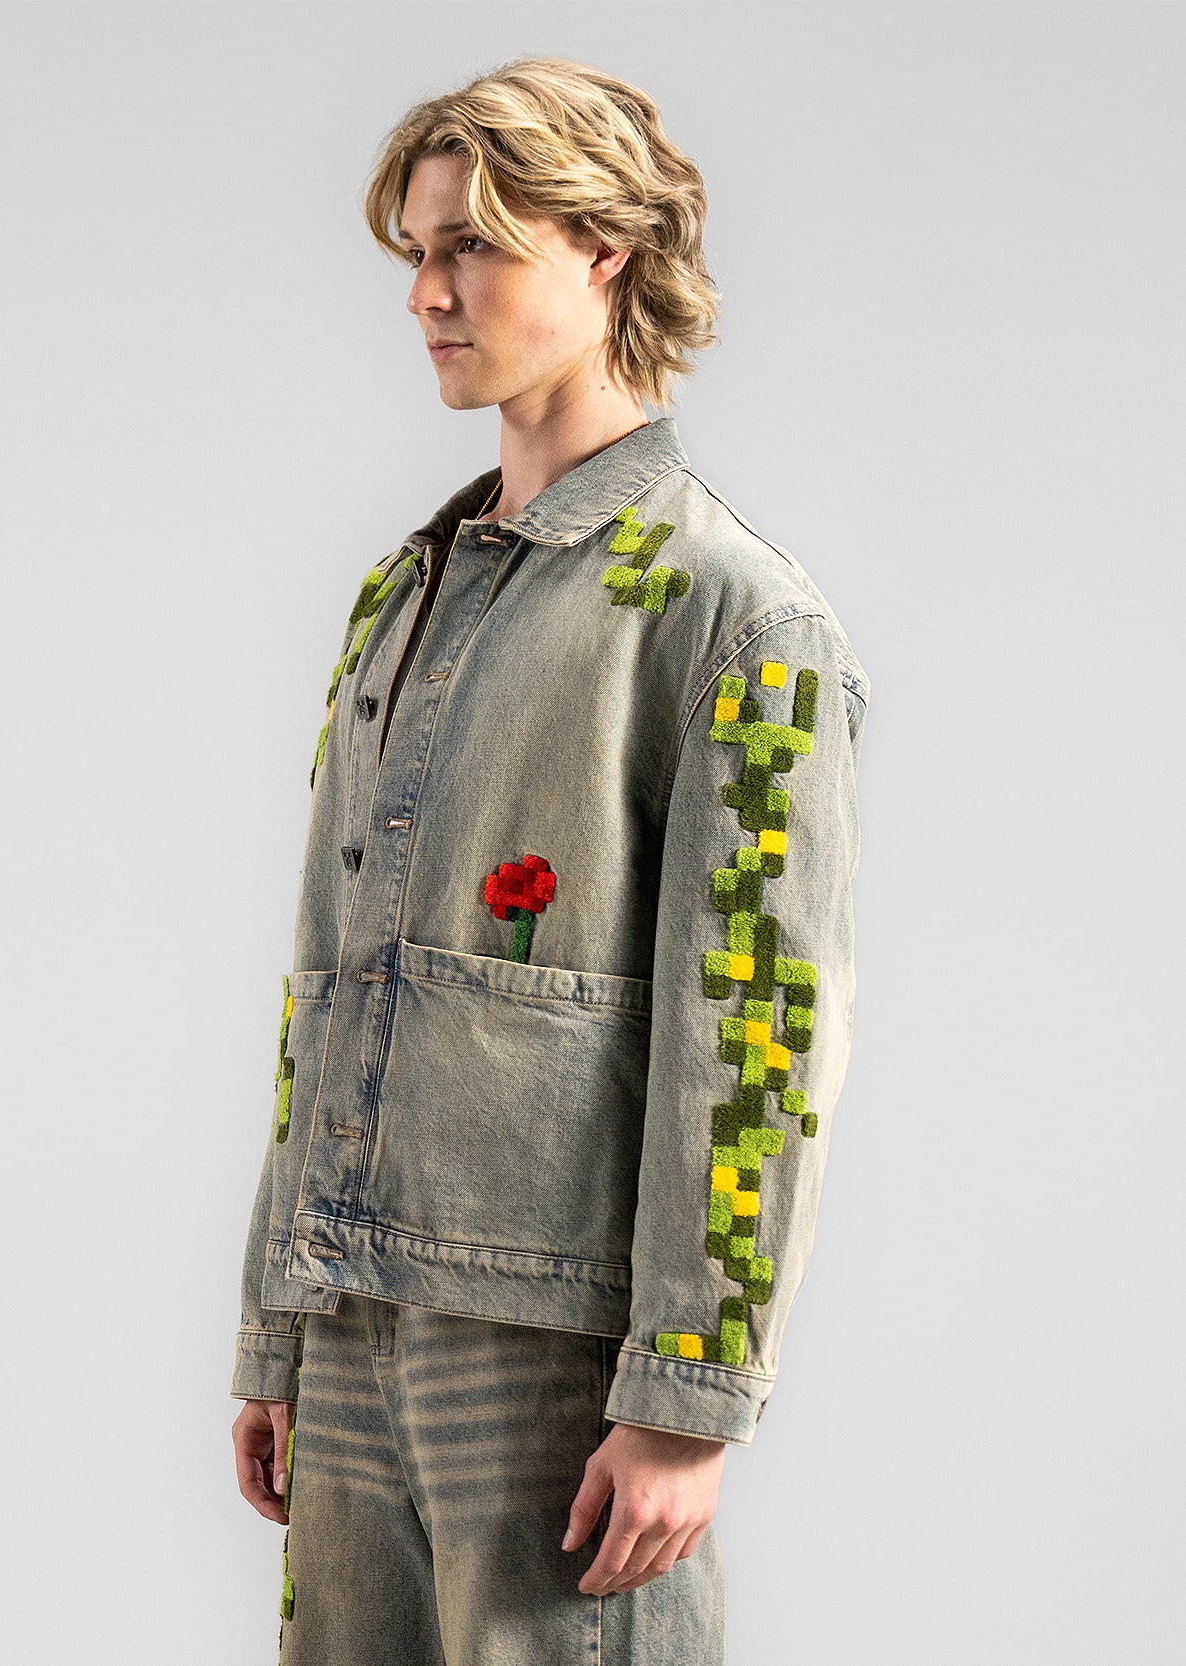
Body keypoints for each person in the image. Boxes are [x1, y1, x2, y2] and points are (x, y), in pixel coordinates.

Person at [229, 54, 870, 1665]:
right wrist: (277, 1325)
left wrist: (687, 1392)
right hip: (353, 1311)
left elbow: (757, 1031)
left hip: (551, 1347)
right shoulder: (405, 594)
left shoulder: (733, 616)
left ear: (604, 253)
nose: (427, 295)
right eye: (418, 252)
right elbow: (325, 972)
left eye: (473, 247)